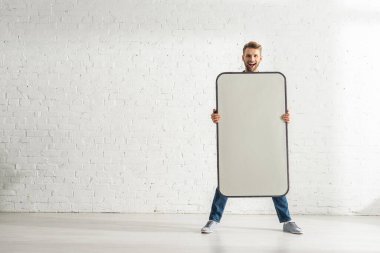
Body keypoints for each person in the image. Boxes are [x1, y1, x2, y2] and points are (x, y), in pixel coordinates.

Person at [201, 41, 302, 235]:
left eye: (255, 56)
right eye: (248, 56)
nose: (252, 59)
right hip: (240, 139)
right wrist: (217, 117)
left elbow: (273, 110)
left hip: (263, 139)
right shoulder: (231, 85)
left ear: (261, 58)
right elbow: (227, 111)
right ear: (243, 57)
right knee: (227, 177)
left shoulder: (270, 84)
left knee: (274, 177)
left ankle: (287, 220)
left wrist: (284, 117)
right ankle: (213, 219)